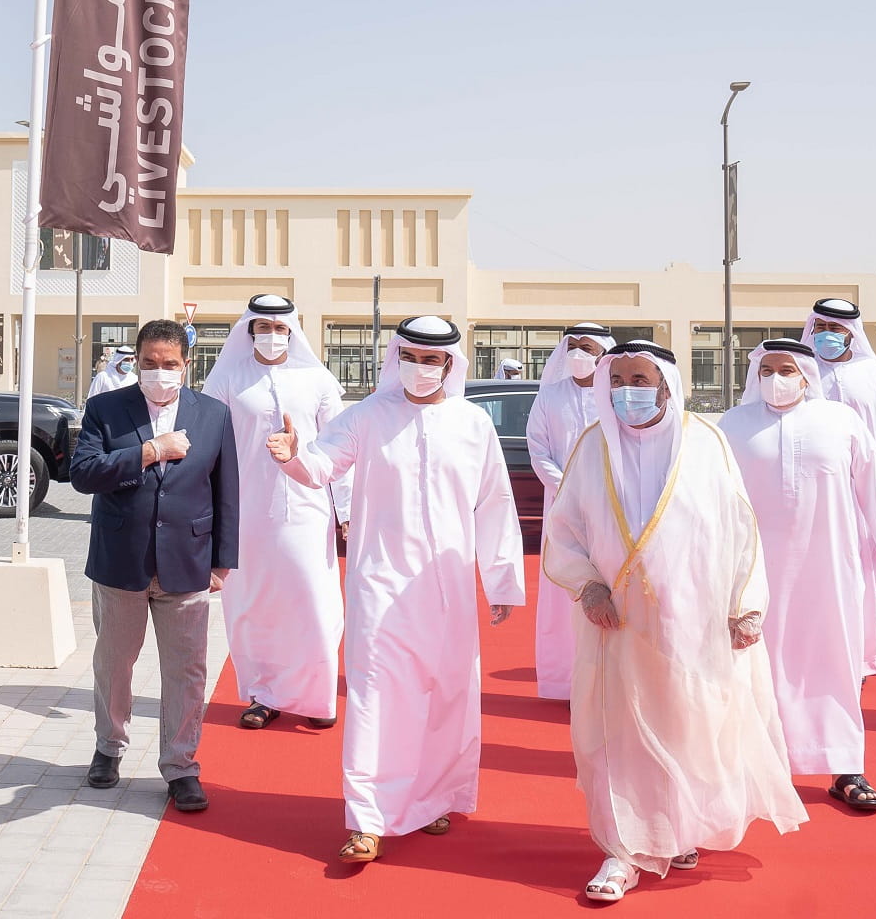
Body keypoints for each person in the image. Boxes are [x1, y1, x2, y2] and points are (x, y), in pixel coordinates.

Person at [543, 341, 805, 902]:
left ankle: (676, 829)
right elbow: (563, 530)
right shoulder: (594, 446)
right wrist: (588, 585)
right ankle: (623, 853)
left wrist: (745, 605)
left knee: (687, 727)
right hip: (613, 623)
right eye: (617, 380)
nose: (626, 391)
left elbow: (741, 529)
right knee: (619, 738)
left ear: (666, 385)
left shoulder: (706, 444)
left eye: (640, 379)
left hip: (693, 621)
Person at [267, 316, 527, 864]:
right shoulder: (367, 416)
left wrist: (500, 579)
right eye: (412, 356)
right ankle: (367, 818)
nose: (422, 368)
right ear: (396, 357)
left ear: (450, 364)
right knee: (374, 695)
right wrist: (293, 456)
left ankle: (434, 798)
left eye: (433, 360)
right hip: (379, 583)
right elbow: (321, 465)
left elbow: (496, 503)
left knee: (445, 693)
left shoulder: (473, 423)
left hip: (447, 589)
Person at [720, 340, 876, 813]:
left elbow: (873, 486)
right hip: (754, 570)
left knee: (835, 662)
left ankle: (846, 768)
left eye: (785, 369)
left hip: (830, 567)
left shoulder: (841, 421)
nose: (775, 377)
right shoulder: (732, 425)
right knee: (755, 667)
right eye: (765, 369)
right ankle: (754, 768)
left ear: (806, 374)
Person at [70, 319, 239, 813]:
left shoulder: (214, 415)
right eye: (149, 364)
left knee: (186, 671)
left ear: (187, 365)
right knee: (114, 664)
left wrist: (223, 562)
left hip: (187, 564)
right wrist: (146, 452)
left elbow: (226, 490)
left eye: (169, 365)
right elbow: (82, 474)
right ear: (135, 362)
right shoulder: (106, 409)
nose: (159, 373)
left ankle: (181, 766)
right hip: (121, 561)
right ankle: (108, 747)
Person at [202, 294, 349, 730]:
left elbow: (339, 450)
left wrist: (347, 508)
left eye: (279, 328)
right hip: (244, 515)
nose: (270, 336)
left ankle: (318, 697)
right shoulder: (227, 377)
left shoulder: (318, 380)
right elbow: (207, 445)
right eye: (261, 328)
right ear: (249, 331)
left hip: (307, 514)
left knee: (313, 604)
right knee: (253, 608)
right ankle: (262, 695)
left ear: (292, 331)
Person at [801, 298, 876, 678]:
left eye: (835, 329)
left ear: (851, 332)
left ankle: (856, 663)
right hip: (810, 496)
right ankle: (811, 659)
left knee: (862, 580)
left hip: (863, 498)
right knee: (810, 576)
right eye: (819, 328)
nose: (826, 336)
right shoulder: (798, 371)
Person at [524, 321, 616, 701]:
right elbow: (538, 448)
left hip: (609, 506)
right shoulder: (549, 396)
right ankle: (565, 685)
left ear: (602, 355)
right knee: (563, 593)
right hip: (560, 504)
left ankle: (604, 684)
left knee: (607, 584)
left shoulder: (613, 395)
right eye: (573, 346)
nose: (578, 354)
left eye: (588, 348)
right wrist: (566, 487)